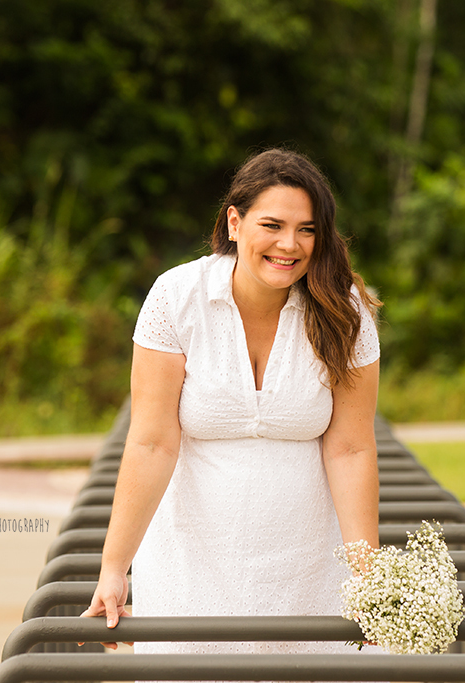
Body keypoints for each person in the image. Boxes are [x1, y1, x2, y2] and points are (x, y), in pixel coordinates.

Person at [82, 148, 381, 658]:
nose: (290, 244)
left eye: (308, 230)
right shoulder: (176, 297)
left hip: (307, 567)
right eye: (273, 225)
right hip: (190, 565)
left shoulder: (343, 309)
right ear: (235, 222)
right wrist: (114, 568)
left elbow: (351, 449)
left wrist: (370, 580)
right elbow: (152, 442)